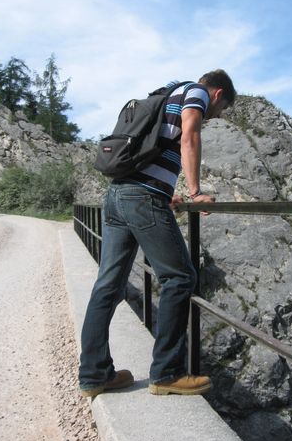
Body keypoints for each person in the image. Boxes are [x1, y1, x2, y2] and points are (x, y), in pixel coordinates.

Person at [79, 69, 236, 397]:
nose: (214, 116)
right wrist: (195, 192)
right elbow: (189, 136)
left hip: (118, 195)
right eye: (219, 111)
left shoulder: (167, 95)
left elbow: (155, 150)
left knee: (108, 285)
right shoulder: (197, 93)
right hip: (140, 199)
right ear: (218, 94)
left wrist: (168, 192)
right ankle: (166, 373)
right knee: (180, 278)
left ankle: (94, 375)